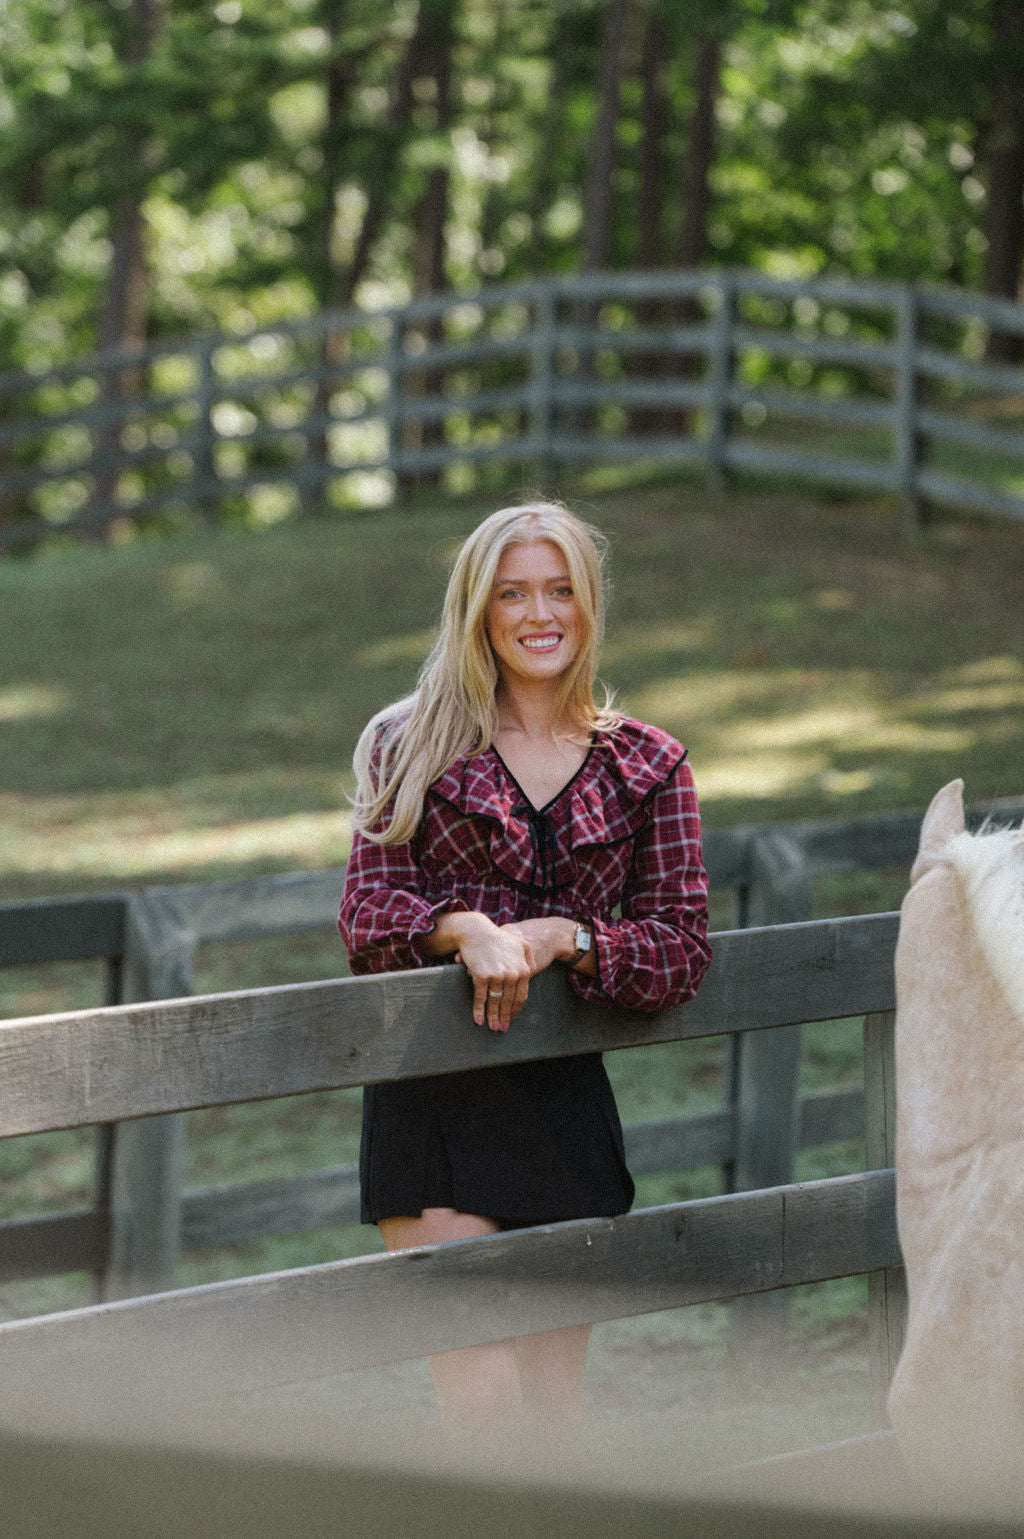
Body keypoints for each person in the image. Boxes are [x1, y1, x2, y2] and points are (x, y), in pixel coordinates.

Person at [338, 500, 711, 1449]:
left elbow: (680, 946)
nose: (538, 613)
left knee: (551, 1422)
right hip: (437, 1103)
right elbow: (367, 919)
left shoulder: (649, 765)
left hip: (563, 1106)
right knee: (487, 1406)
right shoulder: (410, 743)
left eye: (559, 590)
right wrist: (461, 926)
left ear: (588, 606)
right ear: (479, 609)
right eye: (513, 592)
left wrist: (563, 934)